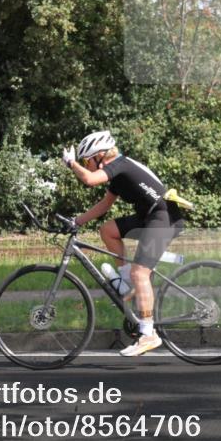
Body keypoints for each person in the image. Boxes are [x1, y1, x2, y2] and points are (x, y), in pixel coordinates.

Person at [62, 130, 185, 356]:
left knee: (141, 273)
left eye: (87, 161)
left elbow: (89, 180)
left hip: (164, 218)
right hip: (149, 216)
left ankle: (148, 333)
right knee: (108, 230)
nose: (87, 166)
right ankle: (127, 282)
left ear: (99, 155)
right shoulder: (117, 174)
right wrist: (76, 221)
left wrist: (71, 163)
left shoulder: (120, 165)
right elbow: (104, 205)